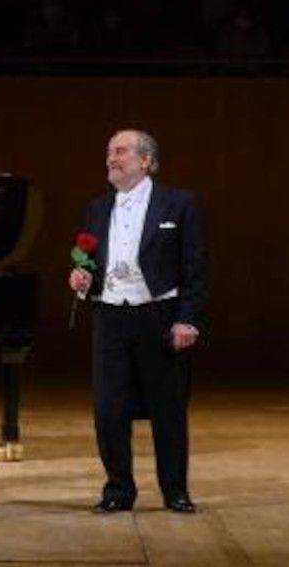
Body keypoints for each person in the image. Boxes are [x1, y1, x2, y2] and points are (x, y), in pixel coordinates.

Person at [69, 129, 206, 514]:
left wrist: (187, 320)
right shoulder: (97, 208)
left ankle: (175, 490)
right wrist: (82, 279)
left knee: (168, 408)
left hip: (158, 315)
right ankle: (118, 489)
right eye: (109, 151)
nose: (111, 158)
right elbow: (91, 264)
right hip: (110, 316)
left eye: (121, 151)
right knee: (109, 408)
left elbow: (194, 269)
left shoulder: (179, 204)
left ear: (145, 160)